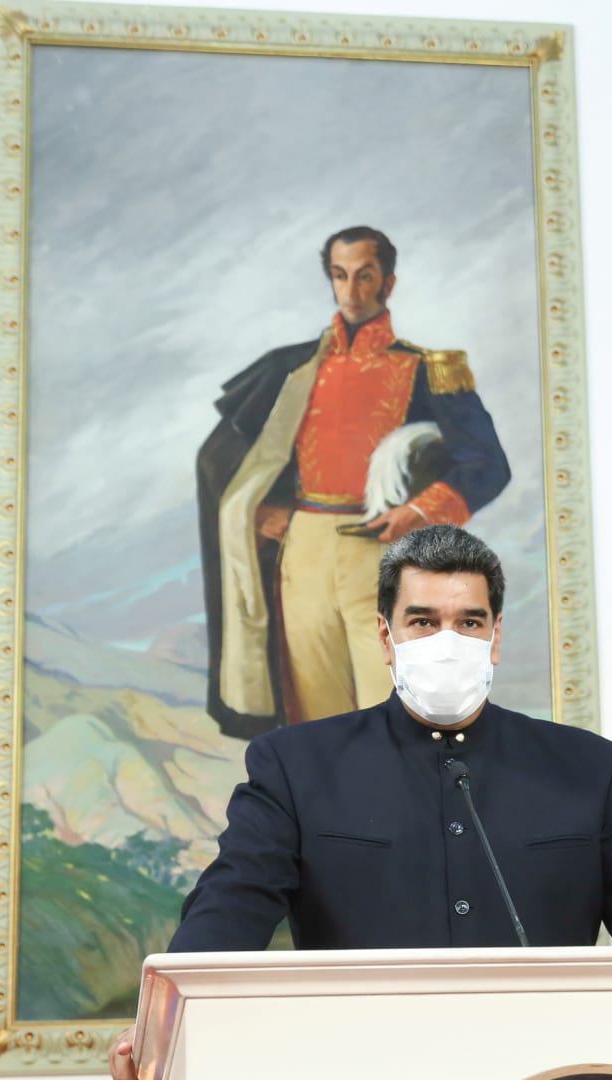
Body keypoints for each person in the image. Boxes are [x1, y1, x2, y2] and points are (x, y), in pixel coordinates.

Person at [112, 526, 612, 1080]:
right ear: (386, 638)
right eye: (423, 621)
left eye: (469, 622)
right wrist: (160, 1029)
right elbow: (232, 904)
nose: (448, 641)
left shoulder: (585, 768)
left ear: (495, 636)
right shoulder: (298, 765)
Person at [196, 226, 511, 740]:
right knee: (315, 718)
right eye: (340, 276)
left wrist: (418, 512)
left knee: (395, 711)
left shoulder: (426, 369)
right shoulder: (292, 369)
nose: (351, 291)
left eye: (365, 276)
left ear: (388, 282)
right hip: (304, 552)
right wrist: (261, 508)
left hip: (384, 551)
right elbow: (224, 455)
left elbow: (487, 463)